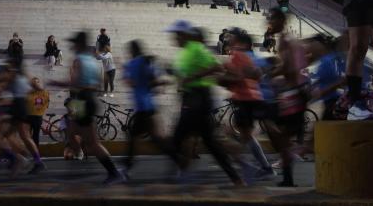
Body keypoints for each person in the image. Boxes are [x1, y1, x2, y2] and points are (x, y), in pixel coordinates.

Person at [164, 21, 244, 186]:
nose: (174, 38)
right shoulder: (184, 52)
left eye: (177, 35)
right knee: (210, 143)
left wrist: (193, 77)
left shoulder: (197, 49)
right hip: (190, 98)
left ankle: (180, 172)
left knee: (176, 141)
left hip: (198, 100)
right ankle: (236, 178)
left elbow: (216, 67)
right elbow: (185, 74)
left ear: (185, 35)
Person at [49, 31, 124, 184]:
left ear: (79, 44)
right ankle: (83, 154)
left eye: (74, 43)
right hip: (88, 99)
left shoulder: (78, 60)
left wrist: (58, 84)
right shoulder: (92, 61)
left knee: (90, 141)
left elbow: (75, 82)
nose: (72, 46)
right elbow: (99, 81)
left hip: (81, 100)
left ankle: (112, 171)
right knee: (72, 131)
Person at [218, 29, 274, 180]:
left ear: (241, 43)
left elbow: (237, 77)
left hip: (245, 100)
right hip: (251, 99)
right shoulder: (245, 56)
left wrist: (221, 76)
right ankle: (264, 167)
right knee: (246, 136)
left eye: (232, 39)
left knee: (234, 137)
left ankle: (248, 167)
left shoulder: (237, 55)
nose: (228, 41)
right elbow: (256, 75)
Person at [265, 8, 309, 187]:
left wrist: (270, 74)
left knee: (279, 133)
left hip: (292, 93)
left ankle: (296, 156)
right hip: (296, 91)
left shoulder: (284, 39)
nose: (268, 24)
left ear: (280, 20)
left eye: (271, 20)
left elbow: (289, 68)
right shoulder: (289, 39)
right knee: (283, 135)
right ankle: (288, 176)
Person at [122, 40, 178, 175]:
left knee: (146, 139)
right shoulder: (146, 62)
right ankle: (126, 167)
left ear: (132, 51)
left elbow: (131, 83)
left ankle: (179, 161)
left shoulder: (131, 64)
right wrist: (160, 83)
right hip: (148, 106)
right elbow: (154, 80)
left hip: (143, 107)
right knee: (151, 139)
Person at [27, 77, 50, 148]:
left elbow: (47, 101)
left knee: (35, 135)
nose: (35, 84)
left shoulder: (43, 92)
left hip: (38, 116)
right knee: (27, 136)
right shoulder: (28, 93)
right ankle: (28, 150)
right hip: (28, 116)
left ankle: (35, 151)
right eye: (33, 83)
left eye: (37, 82)